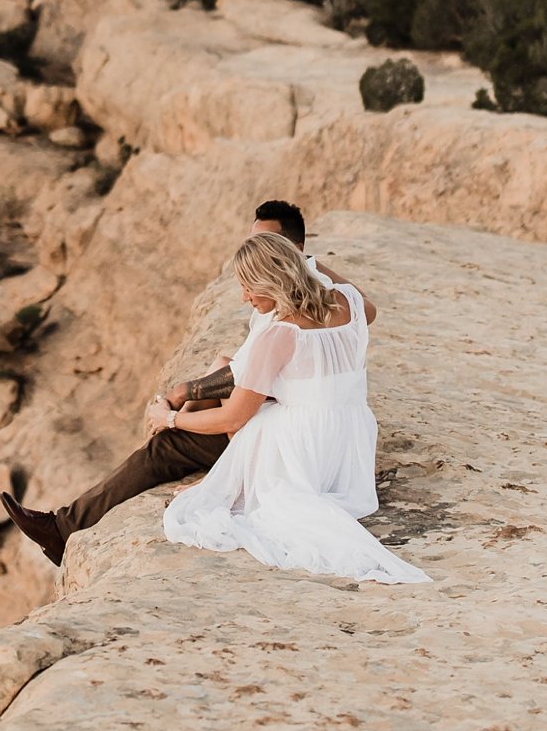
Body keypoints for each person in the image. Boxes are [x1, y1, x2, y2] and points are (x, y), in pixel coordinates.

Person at [2, 200, 350, 568]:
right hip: (326, 435)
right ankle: (68, 522)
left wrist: (176, 416)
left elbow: (237, 412)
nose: (252, 257)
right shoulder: (338, 300)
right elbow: (359, 313)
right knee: (196, 401)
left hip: (284, 442)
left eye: (266, 247)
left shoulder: (282, 321)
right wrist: (192, 393)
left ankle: (62, 528)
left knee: (165, 448)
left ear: (290, 254)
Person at [162, 233, 428, 584]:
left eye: (247, 287)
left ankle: (225, 486)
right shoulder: (349, 301)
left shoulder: (279, 335)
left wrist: (170, 418)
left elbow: (233, 417)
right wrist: (307, 263)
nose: (244, 298)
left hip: (304, 444)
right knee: (259, 409)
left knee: (257, 419)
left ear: (269, 281)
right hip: (350, 437)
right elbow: (371, 311)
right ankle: (222, 484)